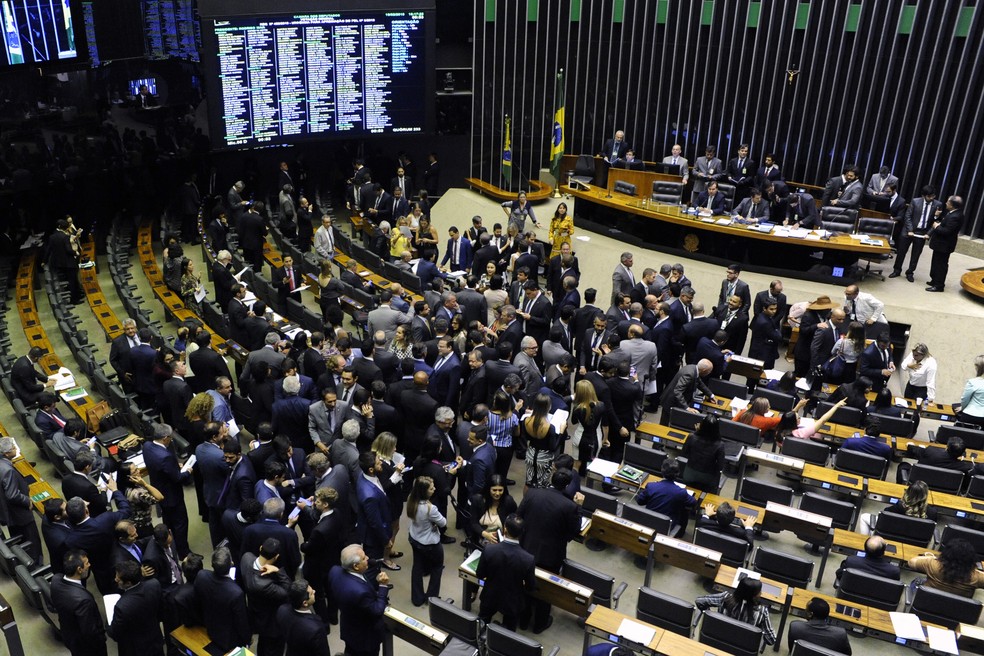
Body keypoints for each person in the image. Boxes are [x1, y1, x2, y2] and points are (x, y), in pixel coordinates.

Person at [517, 468, 580, 633]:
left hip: (526, 548)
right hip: (551, 555)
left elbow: (519, 516)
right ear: (567, 485)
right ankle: (540, 624)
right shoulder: (570, 506)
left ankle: (523, 621)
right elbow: (574, 531)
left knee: (523, 584)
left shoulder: (532, 493)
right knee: (545, 590)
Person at [476, 513, 536, 631]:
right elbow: (530, 586)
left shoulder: (489, 550)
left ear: (504, 529)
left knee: (481, 624)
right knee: (508, 632)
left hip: (490, 595)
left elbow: (480, 574)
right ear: (522, 533)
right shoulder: (528, 559)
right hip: (512, 601)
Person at [329, 544, 390, 656]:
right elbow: (377, 610)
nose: (367, 558)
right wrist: (383, 586)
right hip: (365, 639)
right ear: (356, 566)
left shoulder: (334, 571)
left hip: (349, 628)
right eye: (363, 558)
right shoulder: (360, 592)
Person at [193, 547, 251, 652]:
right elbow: (241, 622)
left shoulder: (201, 576)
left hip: (210, 626)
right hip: (229, 639)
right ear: (231, 564)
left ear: (212, 564)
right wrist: (246, 640)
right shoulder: (236, 593)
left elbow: (197, 601)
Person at [51, 550, 108, 656]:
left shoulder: (56, 580)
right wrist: (102, 639)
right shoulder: (84, 600)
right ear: (79, 569)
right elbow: (90, 632)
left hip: (69, 636)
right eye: (87, 563)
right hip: (87, 649)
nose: (89, 565)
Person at [241, 538, 292, 656]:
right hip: (270, 621)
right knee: (272, 648)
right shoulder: (263, 584)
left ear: (260, 548)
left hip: (255, 609)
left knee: (263, 643)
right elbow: (287, 591)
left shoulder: (246, 557)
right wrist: (278, 571)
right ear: (276, 557)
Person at [695, 577, 776, 646]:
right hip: (741, 649)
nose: (761, 593)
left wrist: (709, 614)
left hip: (717, 642)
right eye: (759, 592)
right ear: (754, 596)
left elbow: (699, 601)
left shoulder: (724, 598)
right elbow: (770, 640)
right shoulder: (762, 612)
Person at [0, 437, 44, 563]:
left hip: (8, 513)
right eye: (13, 448)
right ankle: (37, 566)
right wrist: (27, 501)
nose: (16, 449)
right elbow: (12, 495)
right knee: (32, 542)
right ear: (6, 453)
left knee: (19, 540)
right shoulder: (8, 470)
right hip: (20, 514)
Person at [108, 561, 165, 656]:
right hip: (155, 640)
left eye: (118, 579)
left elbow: (116, 634)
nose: (115, 580)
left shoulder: (122, 606)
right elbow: (161, 612)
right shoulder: (154, 584)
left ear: (128, 583)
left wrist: (108, 624)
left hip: (136, 649)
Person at [405, 475, 447, 606]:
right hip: (430, 543)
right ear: (424, 492)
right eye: (431, 488)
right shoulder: (430, 509)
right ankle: (432, 598)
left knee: (417, 567)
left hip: (414, 538)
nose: (434, 489)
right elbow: (443, 522)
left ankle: (417, 599)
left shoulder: (411, 500)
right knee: (437, 567)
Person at [891, 185, 941, 281]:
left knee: (916, 254)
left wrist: (929, 233)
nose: (931, 198)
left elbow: (936, 221)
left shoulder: (938, 204)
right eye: (929, 196)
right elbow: (908, 216)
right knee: (901, 251)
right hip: (909, 230)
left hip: (922, 232)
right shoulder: (915, 201)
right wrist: (910, 230)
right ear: (923, 195)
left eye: (933, 196)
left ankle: (910, 272)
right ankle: (897, 270)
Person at [908, 538, 984, 598]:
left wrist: (932, 557)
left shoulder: (932, 564)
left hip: (928, 600)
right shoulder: (977, 577)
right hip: (956, 609)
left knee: (917, 580)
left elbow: (911, 562)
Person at [637, 458, 697, 532]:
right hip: (666, 526)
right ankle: (680, 533)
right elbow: (693, 502)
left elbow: (640, 501)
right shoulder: (681, 492)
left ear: (662, 470)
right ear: (677, 474)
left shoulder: (651, 486)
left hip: (648, 522)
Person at [859, 480, 934, 535]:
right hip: (913, 539)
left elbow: (884, 515)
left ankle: (865, 543)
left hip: (891, 535)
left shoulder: (899, 506)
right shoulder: (932, 512)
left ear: (909, 492)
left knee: (863, 517)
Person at [276, 580, 330, 656]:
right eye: (311, 593)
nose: (314, 591)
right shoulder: (316, 629)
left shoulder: (282, 610)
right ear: (305, 603)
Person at [522, 393, 563, 489]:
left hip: (531, 453)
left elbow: (526, 437)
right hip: (544, 458)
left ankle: (526, 501)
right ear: (548, 408)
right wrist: (561, 432)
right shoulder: (549, 427)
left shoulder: (526, 420)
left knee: (528, 481)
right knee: (541, 484)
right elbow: (553, 447)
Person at [658, 360, 715, 426]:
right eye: (709, 371)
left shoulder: (694, 368)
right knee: (665, 425)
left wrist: (711, 395)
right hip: (671, 402)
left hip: (676, 401)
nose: (709, 372)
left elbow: (700, 383)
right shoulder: (689, 374)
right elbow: (677, 391)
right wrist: (687, 408)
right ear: (704, 370)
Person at [926, 195, 965, 292]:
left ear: (952, 205)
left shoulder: (955, 216)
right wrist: (937, 218)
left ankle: (939, 285)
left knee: (941, 265)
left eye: (948, 202)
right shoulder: (952, 213)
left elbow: (946, 231)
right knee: (936, 262)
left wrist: (936, 226)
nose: (946, 203)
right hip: (940, 244)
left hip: (944, 245)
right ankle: (934, 280)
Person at [787, 597, 852, 654]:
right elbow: (847, 654)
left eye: (806, 609)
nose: (805, 610)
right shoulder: (840, 634)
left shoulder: (795, 627)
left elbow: (792, 650)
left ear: (810, 614)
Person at [570, 379, 608, 475]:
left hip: (579, 438)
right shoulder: (602, 405)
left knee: (576, 463)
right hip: (596, 438)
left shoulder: (577, 408)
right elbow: (605, 425)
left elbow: (573, 422)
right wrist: (605, 439)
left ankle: (574, 483)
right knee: (592, 462)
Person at [468, 474, 518, 546]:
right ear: (488, 489)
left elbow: (514, 518)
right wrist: (485, 534)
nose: (497, 493)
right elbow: (473, 522)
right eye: (494, 490)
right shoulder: (478, 500)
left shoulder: (508, 501)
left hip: (501, 541)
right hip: (480, 538)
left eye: (500, 490)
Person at [680, 415, 725, 491]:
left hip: (689, 475)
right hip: (707, 479)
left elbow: (684, 453)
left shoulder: (691, 437)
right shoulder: (720, 445)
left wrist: (696, 432)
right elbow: (720, 466)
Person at [834, 535, 901, 583]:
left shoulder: (851, 561)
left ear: (865, 549)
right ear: (883, 552)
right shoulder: (894, 571)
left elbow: (839, 574)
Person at [959, 354, 984, 429]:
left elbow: (965, 399)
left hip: (970, 415)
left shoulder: (973, 382)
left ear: (978, 367)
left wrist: (962, 408)